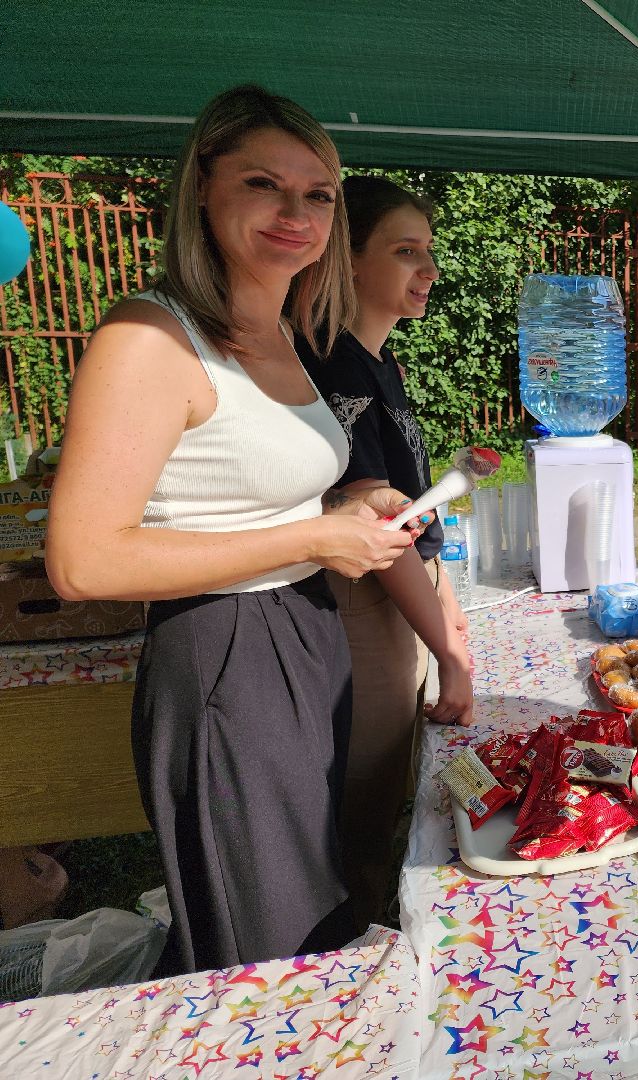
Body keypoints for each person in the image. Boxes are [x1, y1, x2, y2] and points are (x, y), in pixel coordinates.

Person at [45, 85, 422, 974]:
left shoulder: (280, 330)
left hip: (303, 639)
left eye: (318, 194)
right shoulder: (149, 337)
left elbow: (238, 494)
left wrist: (338, 505)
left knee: (316, 913)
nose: (296, 214)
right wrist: (313, 540)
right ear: (204, 190)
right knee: (269, 955)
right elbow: (82, 559)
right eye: (264, 184)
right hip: (225, 659)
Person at [296, 176, 474, 931]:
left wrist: (449, 609)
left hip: (409, 594)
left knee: (396, 779)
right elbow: (381, 538)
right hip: (371, 607)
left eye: (428, 252)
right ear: (349, 260)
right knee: (367, 797)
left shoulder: (381, 363)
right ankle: (351, 944)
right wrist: (449, 652)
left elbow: (416, 513)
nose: (427, 269)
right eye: (405, 252)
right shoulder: (337, 365)